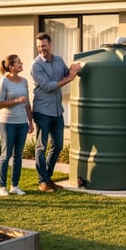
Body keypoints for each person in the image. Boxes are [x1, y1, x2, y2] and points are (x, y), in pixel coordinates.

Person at [31, 32, 81, 192]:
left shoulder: (58, 60)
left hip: (57, 110)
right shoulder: (36, 65)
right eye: (39, 47)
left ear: (50, 45)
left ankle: (48, 178)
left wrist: (75, 70)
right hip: (42, 110)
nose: (41, 49)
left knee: (58, 145)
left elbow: (67, 73)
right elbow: (48, 86)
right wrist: (69, 78)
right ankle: (43, 182)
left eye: (44, 46)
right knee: (41, 146)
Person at [0, 54, 33, 197]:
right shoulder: (4, 81)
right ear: (11, 66)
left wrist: (30, 122)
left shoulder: (24, 81)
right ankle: (2, 187)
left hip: (22, 123)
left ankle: (14, 186)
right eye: (18, 62)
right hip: (7, 123)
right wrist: (16, 100)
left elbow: (27, 103)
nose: (21, 63)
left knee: (18, 155)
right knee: (6, 155)